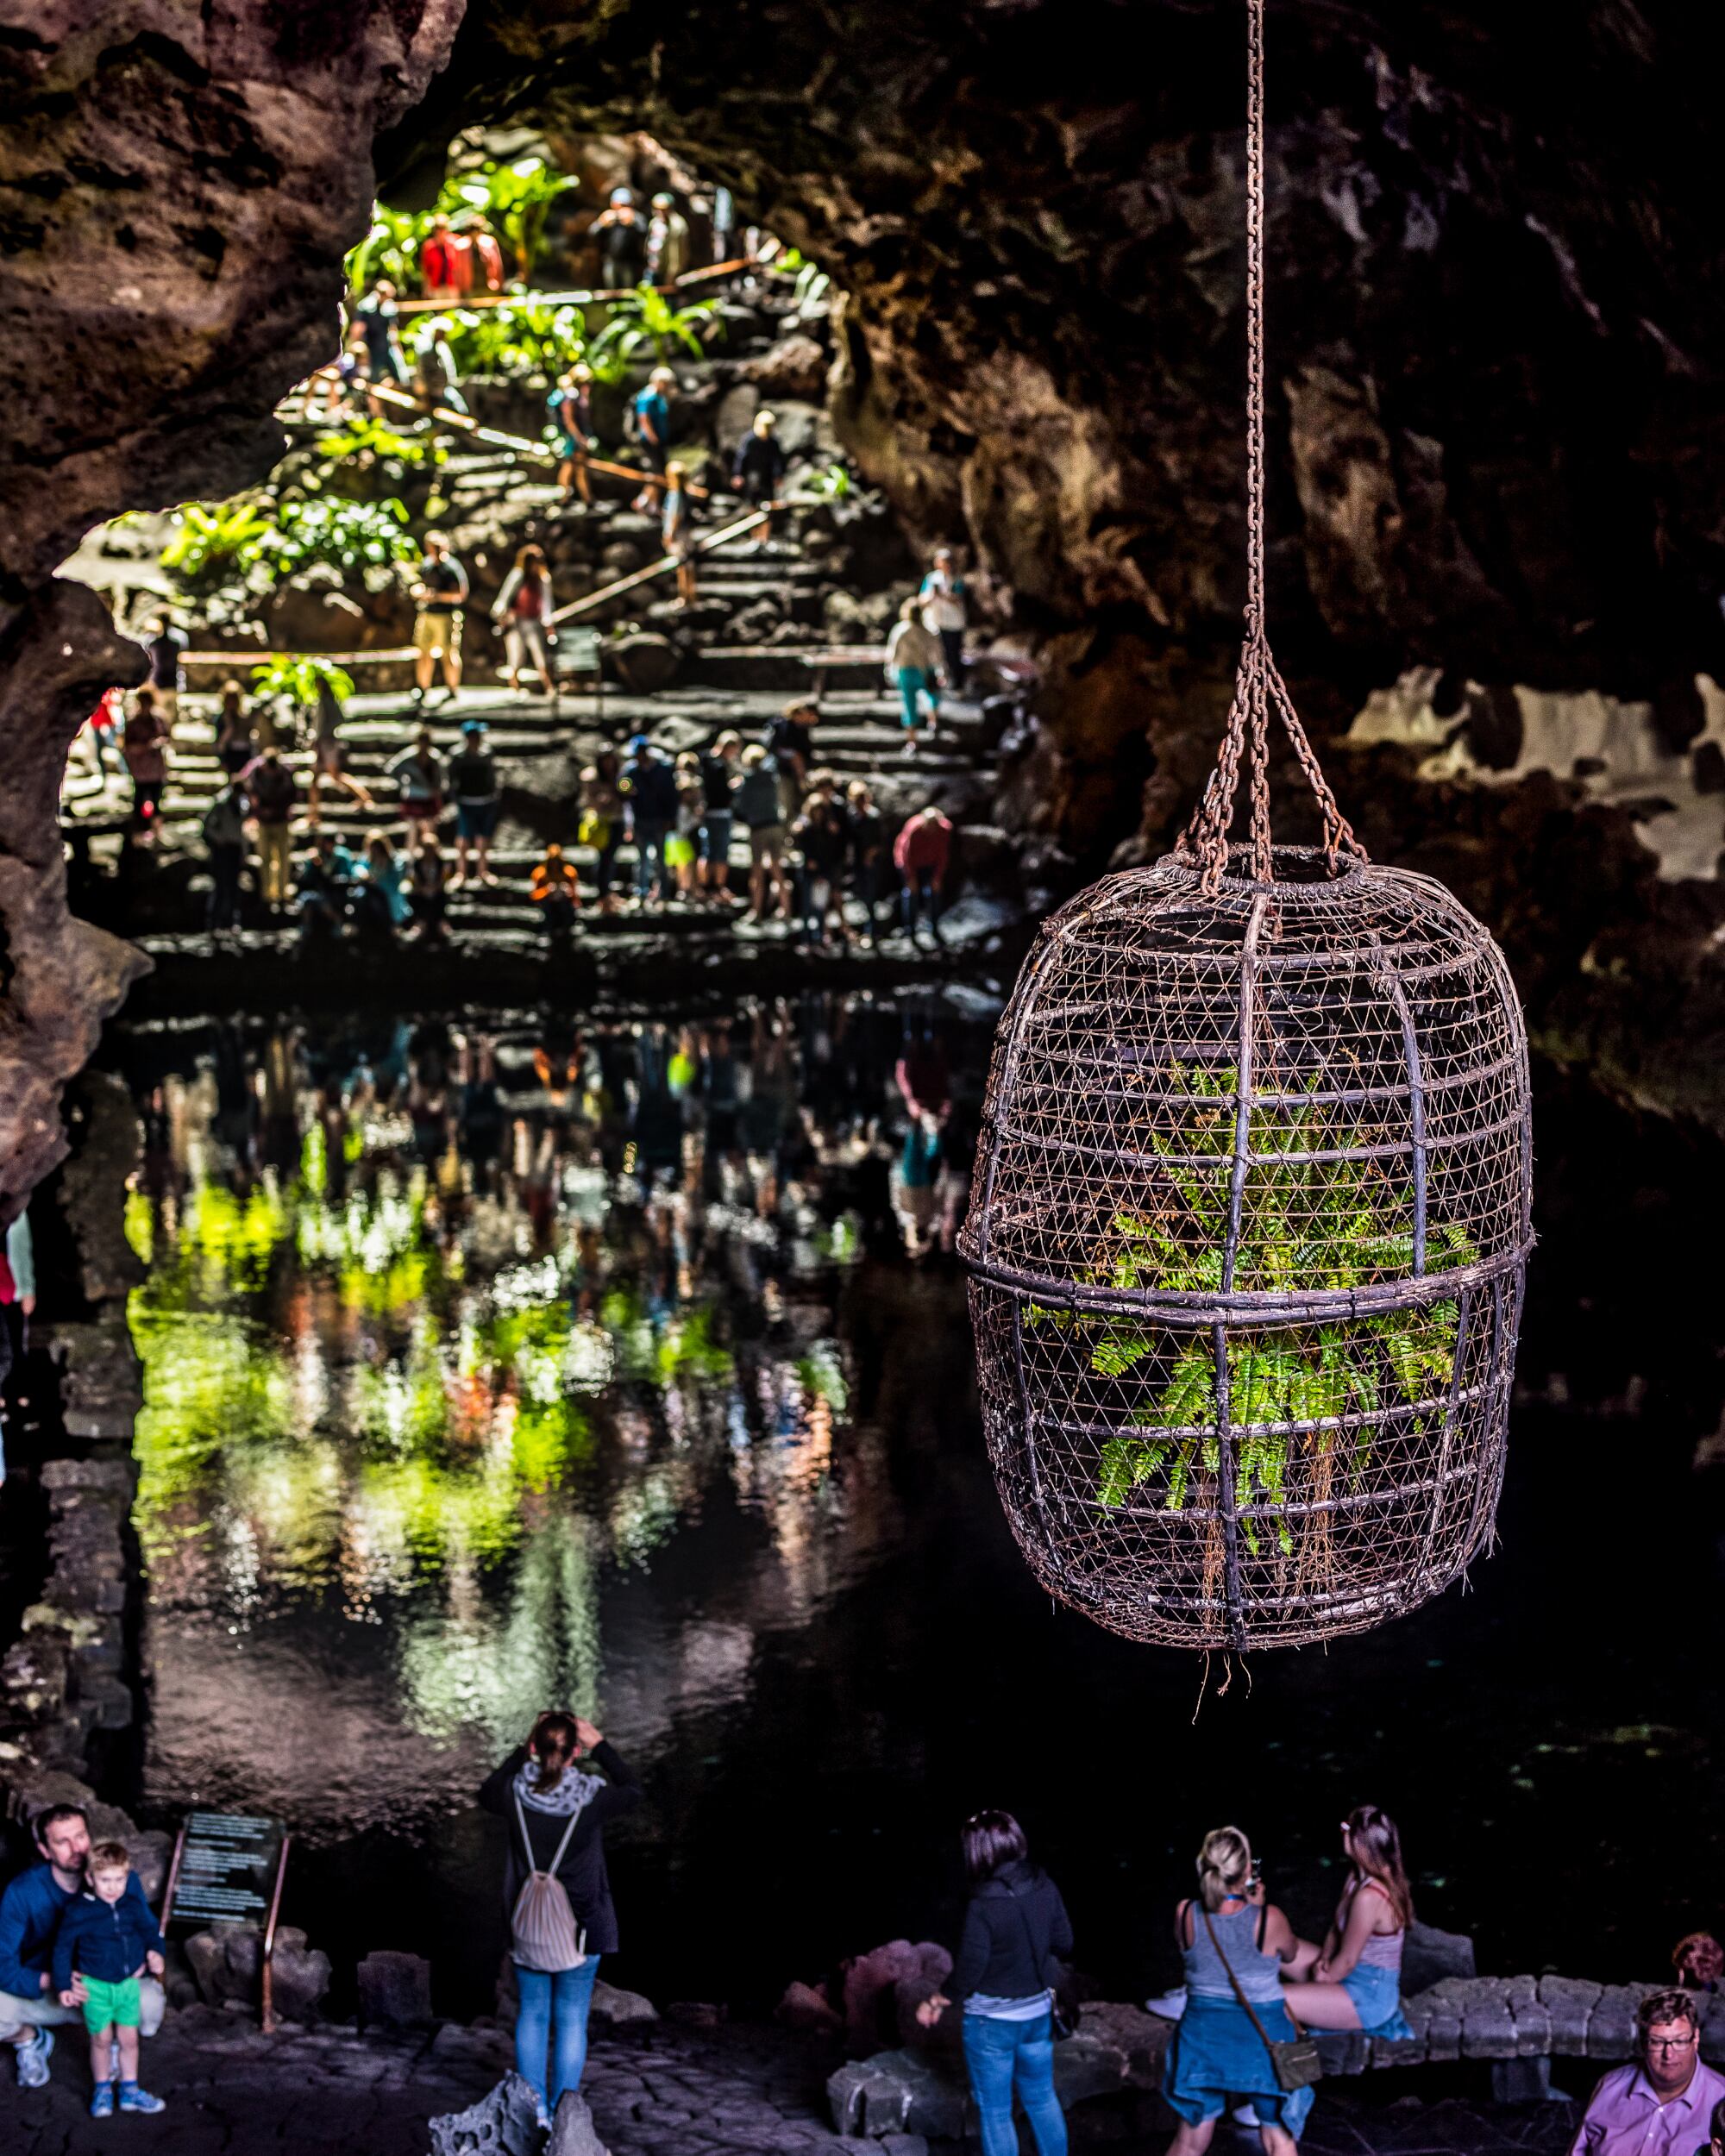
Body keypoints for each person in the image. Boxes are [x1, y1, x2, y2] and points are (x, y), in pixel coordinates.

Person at [478, 1711, 643, 2128]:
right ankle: (564, 2114)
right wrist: (600, 1744)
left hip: (529, 1925)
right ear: (575, 1753)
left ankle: (533, 2113)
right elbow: (634, 1788)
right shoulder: (593, 1795)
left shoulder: (513, 1793)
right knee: (571, 2018)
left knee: (532, 2013)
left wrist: (522, 1751)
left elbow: (486, 1790)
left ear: (535, 1748)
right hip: (584, 1927)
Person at [914, 1811, 1072, 2156]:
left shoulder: (982, 1906)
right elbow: (1065, 1942)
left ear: (977, 1852)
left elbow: (969, 1971)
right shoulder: (1045, 1885)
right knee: (1042, 2098)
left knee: (996, 2112)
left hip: (991, 2025)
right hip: (1037, 2015)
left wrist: (936, 2000)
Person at [1161, 1827, 1310, 2156]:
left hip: (1201, 2038)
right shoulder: (1269, 1919)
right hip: (1263, 2041)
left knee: (1189, 2140)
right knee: (1278, 2136)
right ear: (1246, 1871)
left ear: (1203, 1865)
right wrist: (1258, 1906)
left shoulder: (1185, 1912)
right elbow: (1291, 1953)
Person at [0, 1805, 166, 2090]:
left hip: (110, 1988)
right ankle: (30, 2040)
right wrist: (51, 1980)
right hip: (52, 1991)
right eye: (62, 1842)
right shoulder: (22, 1892)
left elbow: (148, 1930)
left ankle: (112, 2039)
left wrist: (148, 1954)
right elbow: (2, 1961)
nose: (75, 1848)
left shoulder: (119, 1881)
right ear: (44, 1849)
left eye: (80, 1836)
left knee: (150, 2005)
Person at [50, 1840, 168, 2119]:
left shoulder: (131, 1905)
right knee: (101, 2040)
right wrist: (63, 1984)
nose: (113, 1887)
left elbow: (151, 1931)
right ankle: (102, 2088)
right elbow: (62, 1948)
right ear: (90, 1879)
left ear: (127, 1878)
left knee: (129, 2040)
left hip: (127, 1985)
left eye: (119, 1879)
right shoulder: (78, 1910)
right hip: (95, 1988)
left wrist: (156, 1953)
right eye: (105, 1880)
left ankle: (130, 2088)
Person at [1278, 1805, 1414, 2037]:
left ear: (1361, 1843)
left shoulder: (1369, 1897)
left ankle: (1294, 2060)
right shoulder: (1355, 1878)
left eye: (1346, 1828)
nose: (1342, 1832)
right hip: (1345, 1970)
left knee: (1277, 2000)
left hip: (1368, 1994)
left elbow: (1349, 1959)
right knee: (1276, 1945)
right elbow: (1335, 1930)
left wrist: (1325, 1978)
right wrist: (1323, 1959)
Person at [1569, 1989, 1725, 2155]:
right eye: (1657, 2042)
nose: (1669, 2054)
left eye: (1679, 2041)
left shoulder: (1722, 2096)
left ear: (1695, 2039)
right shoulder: (1610, 2085)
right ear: (1644, 2043)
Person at [791, 772, 851, 947]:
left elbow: (845, 834)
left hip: (831, 862)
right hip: (814, 866)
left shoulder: (837, 809)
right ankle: (816, 935)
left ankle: (835, 930)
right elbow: (800, 837)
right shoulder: (809, 819)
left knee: (833, 895)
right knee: (813, 903)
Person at [734, 743, 791, 924]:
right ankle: (786, 909)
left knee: (757, 870)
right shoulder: (772, 777)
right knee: (777, 868)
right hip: (775, 826)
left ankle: (756, 911)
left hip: (758, 828)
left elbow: (741, 807)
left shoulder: (748, 780)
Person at [307, 677, 374, 826]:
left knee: (335, 776)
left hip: (327, 744)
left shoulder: (325, 702)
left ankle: (363, 796)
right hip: (327, 743)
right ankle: (313, 813)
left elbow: (323, 724)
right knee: (316, 780)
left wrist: (319, 736)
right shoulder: (329, 701)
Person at [492, 542, 556, 698]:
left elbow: (547, 603)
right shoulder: (518, 576)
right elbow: (504, 598)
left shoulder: (543, 579)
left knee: (540, 655)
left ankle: (549, 687)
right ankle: (514, 688)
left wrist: (548, 623)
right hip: (516, 621)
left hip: (534, 622)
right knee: (515, 656)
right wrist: (500, 615)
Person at [240, 741, 298, 911]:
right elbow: (249, 792)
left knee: (283, 858)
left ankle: (282, 894)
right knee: (265, 859)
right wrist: (258, 811)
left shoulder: (286, 774)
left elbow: (293, 796)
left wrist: (276, 810)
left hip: (281, 821)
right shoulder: (256, 773)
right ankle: (267, 895)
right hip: (263, 823)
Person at [412, 532, 469, 704]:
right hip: (427, 614)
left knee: (448, 653)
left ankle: (452, 688)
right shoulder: (427, 564)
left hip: (447, 616)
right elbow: (421, 584)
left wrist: (437, 596)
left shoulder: (451, 567)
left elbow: (461, 593)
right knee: (423, 652)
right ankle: (423, 687)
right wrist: (418, 592)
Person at [620, 734, 677, 906]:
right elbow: (622, 786)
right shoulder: (631, 770)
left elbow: (671, 796)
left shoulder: (663, 769)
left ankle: (664, 894)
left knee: (661, 859)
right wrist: (627, 789)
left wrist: (669, 818)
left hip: (659, 820)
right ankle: (641, 893)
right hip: (640, 821)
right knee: (642, 859)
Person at [0, 1209, 34, 1486]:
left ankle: (15, 1399)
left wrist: (28, 1287)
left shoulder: (15, 1210)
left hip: (10, 1293)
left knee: (14, 1350)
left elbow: (21, 1246)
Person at [886, 595, 945, 749]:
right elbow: (937, 654)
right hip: (924, 670)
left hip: (905, 670)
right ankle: (933, 721)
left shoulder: (900, 630)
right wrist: (940, 671)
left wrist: (889, 670)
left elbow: (892, 652)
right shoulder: (928, 631)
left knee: (909, 704)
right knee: (930, 696)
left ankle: (912, 741)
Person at [449, 720, 501, 887]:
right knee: (464, 838)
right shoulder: (457, 755)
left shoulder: (487, 753)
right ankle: (461, 872)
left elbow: (493, 776)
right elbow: (451, 780)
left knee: (483, 838)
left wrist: (494, 794)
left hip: (486, 801)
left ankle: (482, 871)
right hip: (466, 801)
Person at [894, 802, 952, 945]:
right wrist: (911, 877)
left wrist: (937, 877)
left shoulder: (944, 829)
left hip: (930, 864)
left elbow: (943, 855)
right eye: (929, 825)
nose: (931, 829)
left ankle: (934, 927)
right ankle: (910, 930)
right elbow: (906, 855)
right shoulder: (915, 828)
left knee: (933, 893)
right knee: (911, 894)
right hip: (909, 863)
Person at [731, 409, 788, 542]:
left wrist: (778, 475)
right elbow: (742, 458)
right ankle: (754, 537)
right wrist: (738, 475)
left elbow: (777, 460)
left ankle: (764, 537)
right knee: (752, 506)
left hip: (767, 478)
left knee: (768, 506)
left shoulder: (774, 442)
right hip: (753, 477)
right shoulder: (750, 440)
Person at [579, 749, 624, 912]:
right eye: (605, 760)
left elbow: (627, 788)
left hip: (618, 821)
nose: (608, 764)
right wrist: (601, 799)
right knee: (604, 860)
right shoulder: (592, 778)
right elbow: (587, 800)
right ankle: (603, 897)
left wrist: (625, 788)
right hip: (602, 824)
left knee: (611, 860)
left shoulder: (619, 775)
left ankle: (608, 894)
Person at [387, 726, 446, 854]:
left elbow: (441, 777)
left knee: (430, 830)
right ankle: (411, 857)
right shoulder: (408, 756)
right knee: (412, 830)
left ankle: (431, 855)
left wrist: (438, 790)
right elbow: (391, 769)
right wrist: (403, 784)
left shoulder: (435, 757)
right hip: (413, 795)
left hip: (429, 796)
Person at [202, 775, 248, 937]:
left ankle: (232, 922)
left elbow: (241, 831)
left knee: (234, 887)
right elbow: (206, 826)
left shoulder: (243, 804)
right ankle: (213, 923)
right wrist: (218, 838)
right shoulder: (221, 803)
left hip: (235, 849)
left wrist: (244, 851)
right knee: (220, 886)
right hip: (222, 849)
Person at [699, 730, 742, 904]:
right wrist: (734, 786)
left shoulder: (710, 762)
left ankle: (715, 887)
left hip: (720, 812)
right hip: (713, 812)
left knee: (717, 852)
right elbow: (719, 790)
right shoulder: (711, 763)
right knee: (713, 852)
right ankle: (709, 887)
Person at [846, 779, 888, 947]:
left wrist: (871, 854)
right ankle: (866, 930)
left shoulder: (873, 817)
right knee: (862, 895)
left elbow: (882, 841)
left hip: (871, 862)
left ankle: (872, 931)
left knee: (870, 896)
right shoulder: (853, 817)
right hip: (858, 861)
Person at [920, 547, 969, 687]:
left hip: (953, 623)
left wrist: (942, 595)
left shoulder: (956, 579)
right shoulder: (931, 579)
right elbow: (922, 599)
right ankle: (935, 684)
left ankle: (958, 685)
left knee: (953, 655)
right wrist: (931, 596)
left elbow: (958, 598)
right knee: (935, 654)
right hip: (935, 622)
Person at [122, 688, 169, 831]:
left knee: (156, 802)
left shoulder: (158, 719)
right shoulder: (133, 722)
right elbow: (128, 746)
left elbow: (167, 737)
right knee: (138, 803)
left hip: (155, 769)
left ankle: (157, 833)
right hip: (140, 770)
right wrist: (145, 746)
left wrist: (158, 743)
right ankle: (137, 835)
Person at [548, 365, 595, 505]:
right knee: (570, 465)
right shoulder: (571, 396)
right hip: (573, 439)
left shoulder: (579, 395)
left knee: (578, 467)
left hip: (578, 437)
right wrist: (579, 438)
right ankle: (565, 497)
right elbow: (569, 419)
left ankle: (586, 498)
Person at [630, 367, 675, 511]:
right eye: (666, 383)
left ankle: (653, 505)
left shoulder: (659, 396)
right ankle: (642, 503)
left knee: (659, 473)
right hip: (650, 441)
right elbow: (643, 419)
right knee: (657, 473)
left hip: (660, 440)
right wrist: (652, 437)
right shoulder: (647, 396)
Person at [295, 830, 354, 942]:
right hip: (319, 893)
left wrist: (334, 879)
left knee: (326, 901)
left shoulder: (341, 857)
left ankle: (338, 922)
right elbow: (307, 879)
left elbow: (348, 876)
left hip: (337, 893)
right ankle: (305, 928)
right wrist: (314, 866)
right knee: (307, 899)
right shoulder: (317, 858)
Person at [767, 698, 819, 822]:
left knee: (802, 802)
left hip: (801, 773)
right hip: (785, 772)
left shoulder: (803, 729)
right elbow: (774, 748)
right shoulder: (782, 727)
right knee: (787, 805)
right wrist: (793, 755)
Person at [354, 830, 410, 940]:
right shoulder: (367, 858)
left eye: (378, 846)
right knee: (359, 895)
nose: (375, 850)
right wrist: (363, 874)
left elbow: (396, 880)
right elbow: (357, 867)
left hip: (389, 894)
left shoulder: (394, 861)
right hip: (371, 894)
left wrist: (380, 878)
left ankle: (392, 928)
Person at [589, 187, 648, 290]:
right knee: (611, 290)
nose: (621, 208)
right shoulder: (609, 216)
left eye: (624, 205)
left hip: (630, 262)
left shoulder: (636, 217)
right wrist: (602, 223)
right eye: (619, 205)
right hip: (611, 261)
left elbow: (644, 232)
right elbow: (592, 232)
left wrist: (632, 222)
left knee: (628, 291)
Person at [354, 279, 408, 388]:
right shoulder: (366, 307)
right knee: (374, 379)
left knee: (401, 377)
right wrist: (356, 348)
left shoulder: (389, 307)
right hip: (372, 349)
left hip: (387, 347)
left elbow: (393, 330)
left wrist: (399, 349)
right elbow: (357, 329)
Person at [411, 312, 467, 416]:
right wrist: (429, 391)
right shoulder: (426, 349)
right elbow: (423, 372)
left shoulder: (441, 347)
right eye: (443, 333)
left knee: (459, 409)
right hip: (434, 390)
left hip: (443, 388)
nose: (445, 336)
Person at [662, 461, 696, 607]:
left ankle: (683, 596)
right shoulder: (685, 493)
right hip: (686, 533)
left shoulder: (675, 495)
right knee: (688, 565)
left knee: (681, 566)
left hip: (678, 535)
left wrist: (670, 534)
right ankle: (691, 595)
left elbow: (675, 516)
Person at [143, 613, 186, 725]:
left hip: (161, 683)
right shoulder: (175, 643)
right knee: (167, 716)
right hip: (169, 683)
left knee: (163, 716)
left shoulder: (154, 644)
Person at [530, 843, 580, 938]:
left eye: (557, 862)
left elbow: (575, 897)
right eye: (552, 862)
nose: (555, 865)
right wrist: (547, 890)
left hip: (564, 903)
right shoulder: (540, 874)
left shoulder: (569, 873)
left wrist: (567, 891)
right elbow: (534, 896)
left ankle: (566, 930)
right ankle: (547, 931)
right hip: (547, 904)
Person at [419, 213, 473, 303]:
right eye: (438, 229)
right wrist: (426, 288)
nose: (440, 232)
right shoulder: (429, 247)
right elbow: (426, 269)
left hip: (453, 285)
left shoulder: (455, 243)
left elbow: (462, 265)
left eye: (443, 229)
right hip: (436, 286)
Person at [408, 838, 449, 942]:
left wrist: (434, 887)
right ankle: (421, 922)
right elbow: (414, 881)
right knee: (415, 897)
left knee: (440, 897)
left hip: (436, 892)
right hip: (422, 892)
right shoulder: (417, 864)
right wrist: (423, 888)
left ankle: (440, 922)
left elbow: (444, 880)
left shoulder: (441, 863)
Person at [214, 679, 256, 775]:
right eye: (229, 699)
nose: (231, 703)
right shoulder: (221, 719)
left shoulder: (244, 717)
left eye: (234, 699)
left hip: (245, 753)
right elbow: (219, 743)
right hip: (230, 754)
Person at [647, 191, 691, 283]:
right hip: (653, 266)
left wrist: (672, 273)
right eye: (657, 208)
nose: (660, 212)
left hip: (668, 270)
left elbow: (677, 252)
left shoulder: (677, 225)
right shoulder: (655, 222)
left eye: (663, 209)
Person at [464, 214, 506, 294]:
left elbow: (497, 265)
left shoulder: (489, 243)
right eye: (472, 231)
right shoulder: (462, 246)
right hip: (471, 287)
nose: (474, 234)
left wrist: (500, 284)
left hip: (489, 286)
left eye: (476, 230)